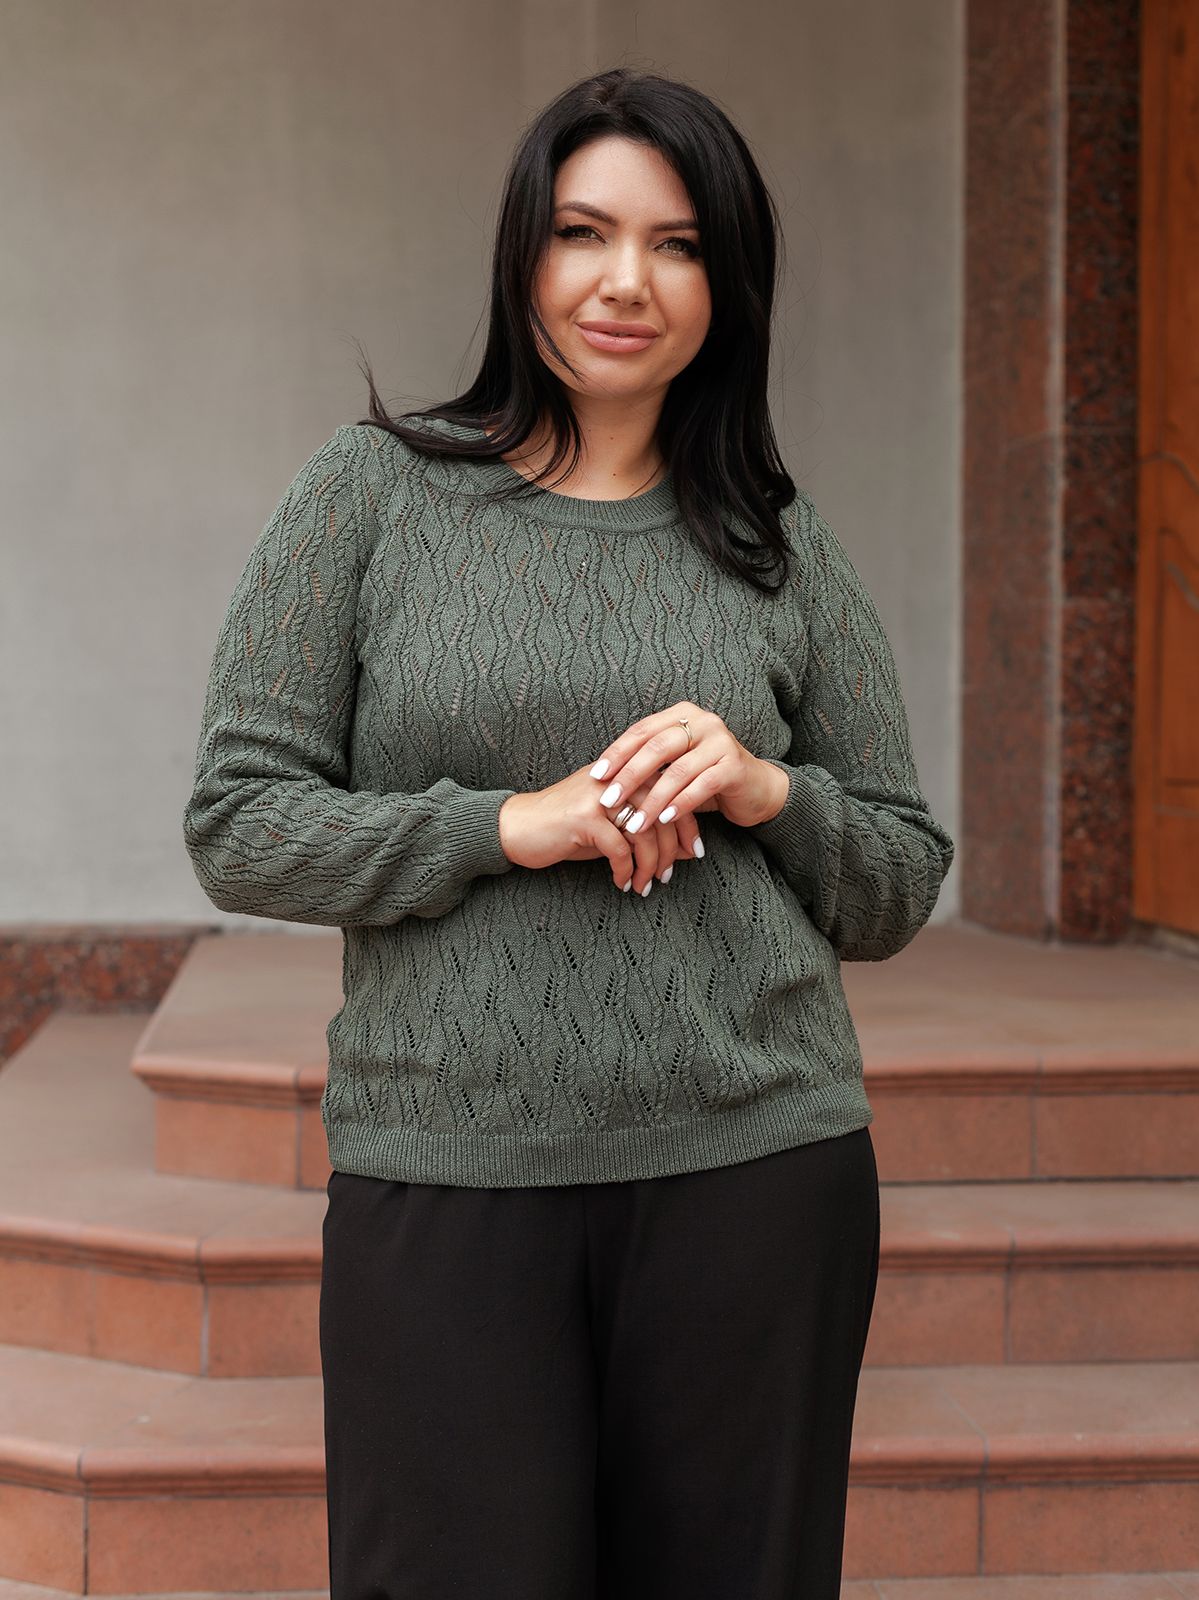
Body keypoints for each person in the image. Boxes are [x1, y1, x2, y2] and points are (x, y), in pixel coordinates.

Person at [182, 64, 955, 1600]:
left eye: (678, 245)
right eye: (583, 232)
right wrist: (509, 825)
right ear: (521, 253)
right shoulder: (373, 495)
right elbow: (240, 822)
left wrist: (764, 786)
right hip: (449, 1173)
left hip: (755, 1169)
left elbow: (898, 879)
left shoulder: (778, 540)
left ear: (728, 286)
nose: (624, 282)